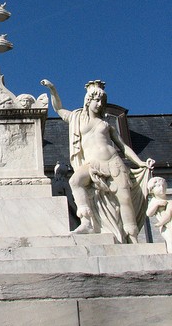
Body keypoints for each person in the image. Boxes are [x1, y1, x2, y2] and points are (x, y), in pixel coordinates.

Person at [41, 79, 154, 243]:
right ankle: (87, 221)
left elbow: (123, 148)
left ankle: (132, 237)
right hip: (93, 164)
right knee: (75, 181)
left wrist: (140, 163)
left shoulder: (107, 125)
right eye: (96, 100)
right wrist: (52, 89)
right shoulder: (76, 118)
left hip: (114, 163)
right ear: (88, 100)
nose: (100, 104)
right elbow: (58, 108)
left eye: (102, 101)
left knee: (125, 199)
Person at [147, 177, 172, 252]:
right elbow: (149, 213)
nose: (162, 188)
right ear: (152, 190)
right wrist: (157, 204)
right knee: (170, 239)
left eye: (163, 186)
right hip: (164, 226)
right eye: (158, 186)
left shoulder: (170, 201)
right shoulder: (154, 201)